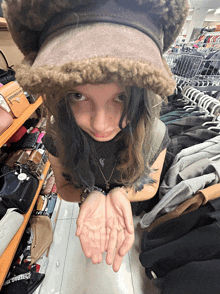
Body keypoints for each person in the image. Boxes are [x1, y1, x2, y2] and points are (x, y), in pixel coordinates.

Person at [2, 0, 189, 274]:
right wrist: (88, 195)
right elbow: (65, 188)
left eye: (121, 98)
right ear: (62, 95)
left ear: (140, 98)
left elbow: (149, 186)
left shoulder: (153, 133)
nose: (100, 123)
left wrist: (120, 195)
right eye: (79, 96)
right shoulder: (59, 134)